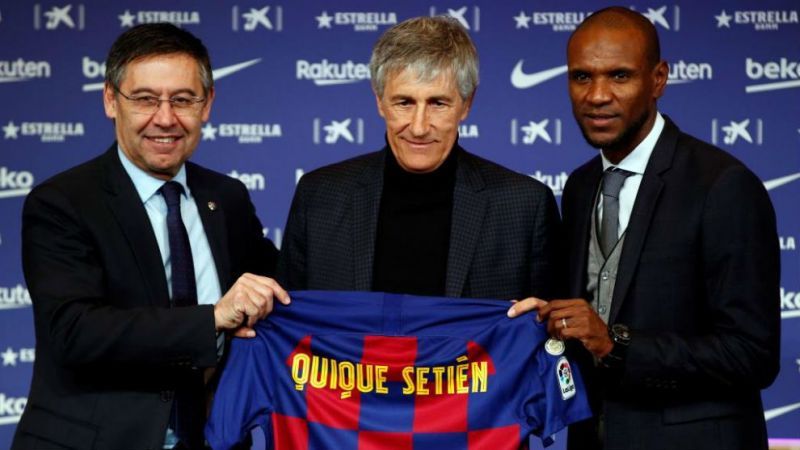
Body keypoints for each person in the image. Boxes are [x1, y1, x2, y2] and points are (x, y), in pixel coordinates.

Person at [508, 7, 781, 450]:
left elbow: (752, 355)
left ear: (658, 79)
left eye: (619, 76)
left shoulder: (723, 186)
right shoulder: (579, 186)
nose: (597, 95)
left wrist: (615, 344)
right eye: (581, 77)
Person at [12, 23, 289, 450]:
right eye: (144, 99)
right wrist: (212, 317)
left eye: (183, 100)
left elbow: (288, 289)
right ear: (110, 100)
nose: (165, 118)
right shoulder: (61, 202)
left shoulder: (226, 197)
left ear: (207, 104)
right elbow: (75, 332)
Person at [277, 16, 561, 301]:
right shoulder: (319, 196)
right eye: (404, 102)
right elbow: (287, 329)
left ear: (466, 104)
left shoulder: (525, 206)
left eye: (438, 103)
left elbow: (547, 333)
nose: (419, 127)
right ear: (379, 101)